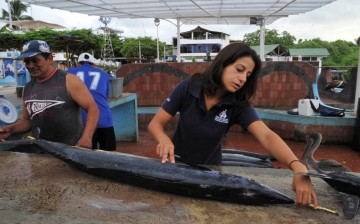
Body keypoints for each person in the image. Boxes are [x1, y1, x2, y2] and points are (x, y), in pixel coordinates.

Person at [148, 43, 318, 207]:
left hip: (211, 172)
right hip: (176, 166)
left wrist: (297, 166)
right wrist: (163, 139)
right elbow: (155, 123)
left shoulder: (238, 105)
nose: (243, 79)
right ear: (223, 64)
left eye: (248, 75)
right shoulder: (188, 88)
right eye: (239, 70)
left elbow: (267, 136)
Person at [0, 40, 99, 149]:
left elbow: (92, 108)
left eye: (35, 60)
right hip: (41, 152)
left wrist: (87, 137)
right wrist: (10, 129)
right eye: (27, 62)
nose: (31, 66)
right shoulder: (27, 88)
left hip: (70, 151)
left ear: (50, 59)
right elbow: (27, 121)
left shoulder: (68, 80)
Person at [67, 52, 116, 151]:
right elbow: (105, 96)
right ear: (93, 64)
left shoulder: (68, 73)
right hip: (104, 119)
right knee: (109, 156)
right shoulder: (103, 74)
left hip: (82, 123)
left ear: (78, 64)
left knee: (85, 157)